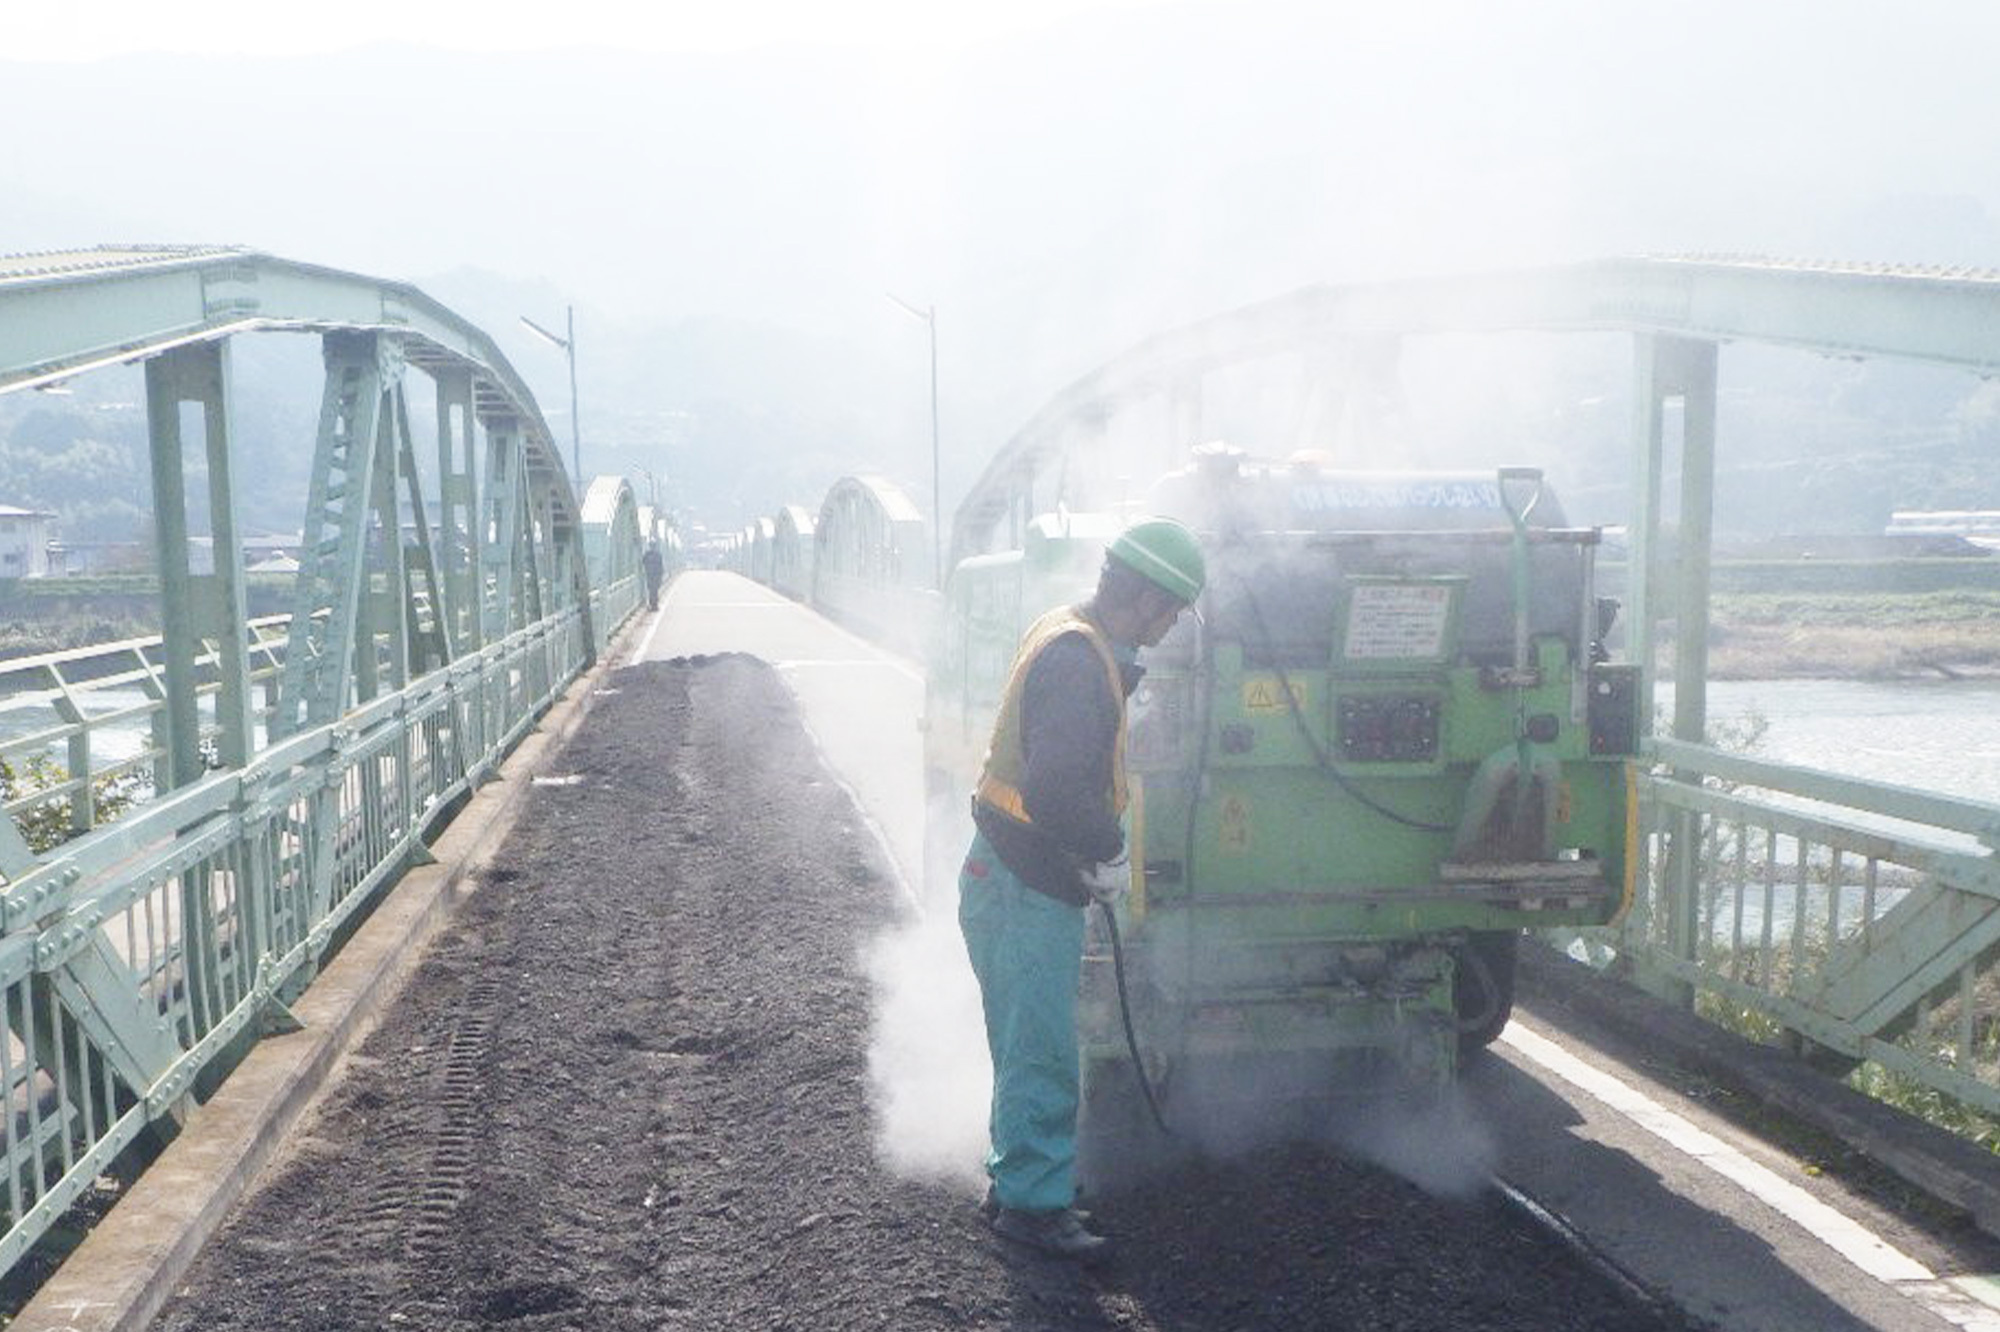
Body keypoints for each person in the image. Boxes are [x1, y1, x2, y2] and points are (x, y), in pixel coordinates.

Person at [958, 516, 1206, 1262]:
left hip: (1005, 873)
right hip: (1025, 884)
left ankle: (1020, 1180)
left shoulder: (1070, 632)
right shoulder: (1077, 662)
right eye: (1172, 613)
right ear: (1150, 600)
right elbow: (1056, 789)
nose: (1170, 630)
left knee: (1022, 1040)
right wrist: (1106, 847)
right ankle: (1033, 1210)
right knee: (1041, 1048)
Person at [642, 541, 665, 611]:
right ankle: (655, 605)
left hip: (649, 575)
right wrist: (661, 575)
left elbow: (643, 562)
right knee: (655, 590)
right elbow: (661, 566)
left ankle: (652, 604)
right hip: (656, 575)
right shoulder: (658, 555)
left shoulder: (647, 554)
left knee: (651, 590)